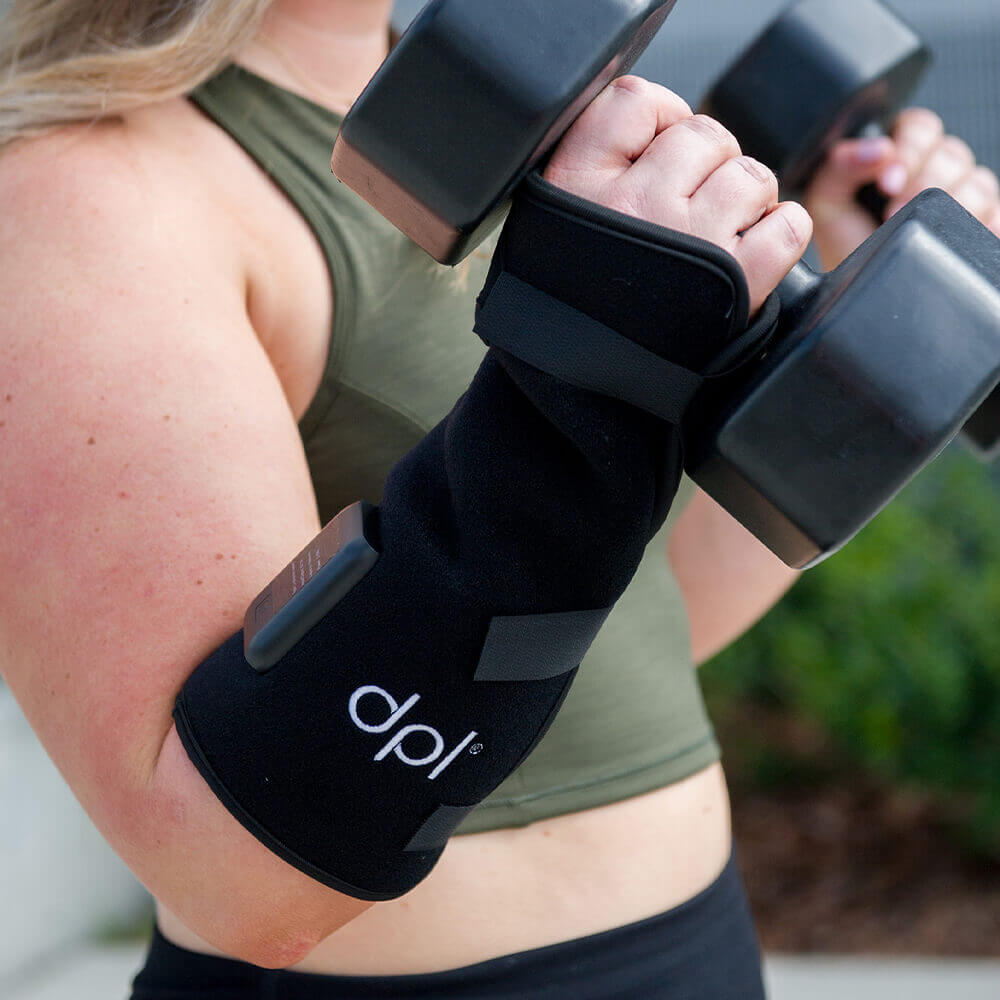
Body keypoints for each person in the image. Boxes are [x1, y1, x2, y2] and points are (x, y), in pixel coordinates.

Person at [0, 2, 996, 998]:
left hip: (695, 955)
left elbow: (626, 630)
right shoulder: (79, 197)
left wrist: (831, 293)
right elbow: (233, 873)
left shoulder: (508, 99)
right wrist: (584, 377)